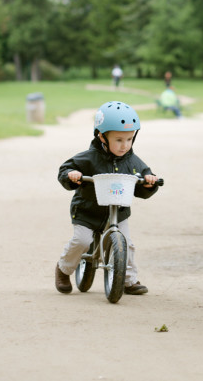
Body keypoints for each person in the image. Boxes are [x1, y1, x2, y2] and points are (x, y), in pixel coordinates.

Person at [55, 101, 160, 294]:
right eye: (119, 140)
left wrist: (148, 182)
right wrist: (72, 175)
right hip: (87, 211)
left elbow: (144, 179)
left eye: (129, 139)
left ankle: (128, 280)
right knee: (82, 241)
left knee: (127, 243)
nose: (125, 145)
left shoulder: (133, 161)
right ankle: (64, 269)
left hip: (118, 213)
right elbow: (65, 169)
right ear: (101, 136)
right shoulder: (88, 158)